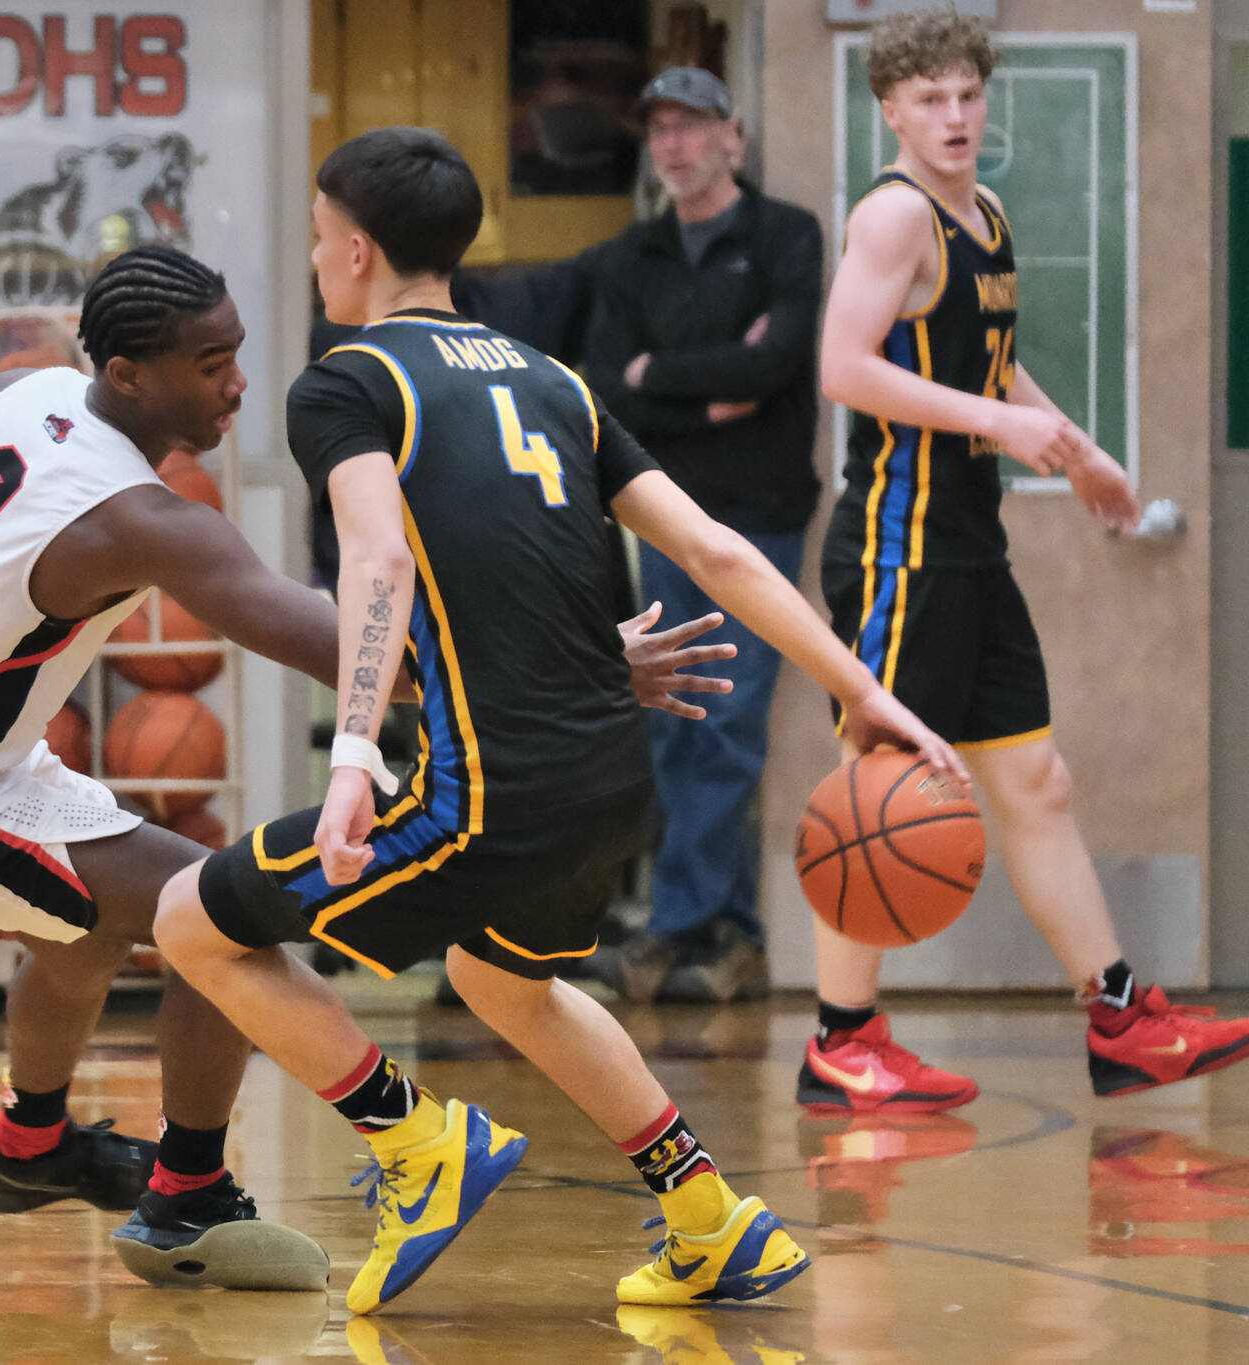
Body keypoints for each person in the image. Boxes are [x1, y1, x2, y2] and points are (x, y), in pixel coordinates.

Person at [0, 243, 734, 1290]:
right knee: (205, 914)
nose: (237, 383)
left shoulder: (13, 390)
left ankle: (37, 1145)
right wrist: (582, 663)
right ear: (128, 376)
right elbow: (350, 648)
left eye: (237, 351)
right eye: (209, 362)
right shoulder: (139, 520)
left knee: (95, 933)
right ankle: (220, 1185)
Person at [149, 126, 966, 1317]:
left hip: (483, 790)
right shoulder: (552, 381)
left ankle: (414, 1142)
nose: (318, 260)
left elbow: (375, 560)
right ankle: (707, 1216)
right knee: (505, 981)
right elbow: (716, 551)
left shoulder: (347, 380)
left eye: (321, 239)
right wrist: (863, 688)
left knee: (191, 923)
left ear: (358, 250)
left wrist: (350, 758)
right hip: (602, 777)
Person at [805, 7, 1249, 1112]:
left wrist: (1076, 449)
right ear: (889, 110)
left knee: (1036, 785)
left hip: (969, 543)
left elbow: (987, 366)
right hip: (896, 548)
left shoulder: (983, 214)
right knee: (877, 793)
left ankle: (1120, 1021)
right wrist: (992, 425)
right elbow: (842, 369)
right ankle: (839, 1037)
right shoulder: (891, 218)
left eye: (967, 95)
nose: (953, 117)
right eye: (929, 100)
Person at [580, 65, 825, 1005]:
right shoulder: (632, 255)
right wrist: (711, 388)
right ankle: (723, 932)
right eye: (661, 129)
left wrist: (667, 375)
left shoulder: (785, 236)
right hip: (665, 510)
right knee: (675, 723)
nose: (674, 144)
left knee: (722, 721)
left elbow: (775, 363)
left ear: (734, 136)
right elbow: (611, 385)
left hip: (758, 512)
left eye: (692, 125)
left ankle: (686, 927)